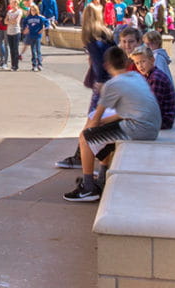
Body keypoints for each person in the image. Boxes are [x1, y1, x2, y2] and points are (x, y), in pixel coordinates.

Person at [63, 46, 161, 203]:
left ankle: (89, 188)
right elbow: (126, 112)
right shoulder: (136, 77)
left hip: (138, 130)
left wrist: (91, 130)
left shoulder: (113, 84)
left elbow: (95, 119)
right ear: (127, 62)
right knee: (103, 132)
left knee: (86, 137)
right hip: (152, 127)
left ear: (107, 66)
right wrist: (103, 122)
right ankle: (102, 177)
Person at [56, 4, 116, 169]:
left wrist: (101, 81)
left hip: (103, 85)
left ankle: (81, 157)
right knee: (97, 122)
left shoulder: (93, 39)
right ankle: (90, 158)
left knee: (92, 121)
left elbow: (98, 62)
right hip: (112, 81)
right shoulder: (107, 34)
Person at [130, 45, 175, 130]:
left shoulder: (156, 78)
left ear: (152, 60)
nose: (140, 66)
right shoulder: (149, 75)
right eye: (137, 63)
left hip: (162, 121)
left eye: (143, 61)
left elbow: (153, 107)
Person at [22, 3, 49, 71]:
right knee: (33, 50)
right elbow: (24, 23)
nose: (33, 11)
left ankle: (39, 64)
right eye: (32, 10)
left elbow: (47, 23)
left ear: (37, 10)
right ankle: (34, 65)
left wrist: (43, 29)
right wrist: (26, 28)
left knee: (38, 50)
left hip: (37, 35)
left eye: (34, 10)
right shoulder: (28, 18)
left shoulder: (40, 17)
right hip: (31, 35)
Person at [5, 0, 24, 71]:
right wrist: (10, 21)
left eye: (12, 2)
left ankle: (16, 65)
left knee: (15, 49)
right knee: (11, 49)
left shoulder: (19, 11)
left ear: (16, 3)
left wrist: (10, 21)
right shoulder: (9, 12)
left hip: (16, 31)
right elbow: (5, 21)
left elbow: (17, 21)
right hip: (9, 32)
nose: (11, 4)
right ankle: (12, 65)